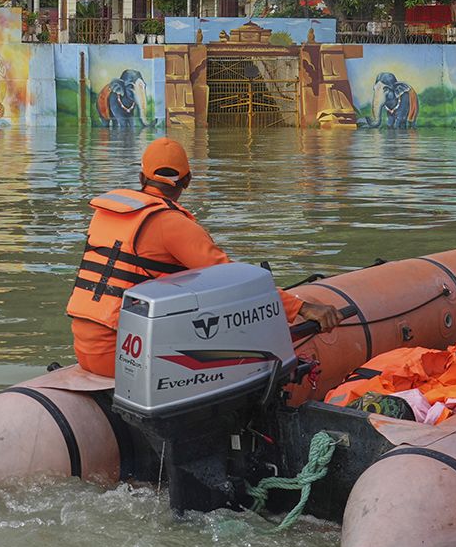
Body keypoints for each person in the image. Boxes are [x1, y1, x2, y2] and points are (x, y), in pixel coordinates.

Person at [67, 138, 342, 376]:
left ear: (141, 179)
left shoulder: (105, 214)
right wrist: (301, 308)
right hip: (123, 357)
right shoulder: (172, 224)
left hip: (84, 347)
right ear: (187, 180)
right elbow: (232, 280)